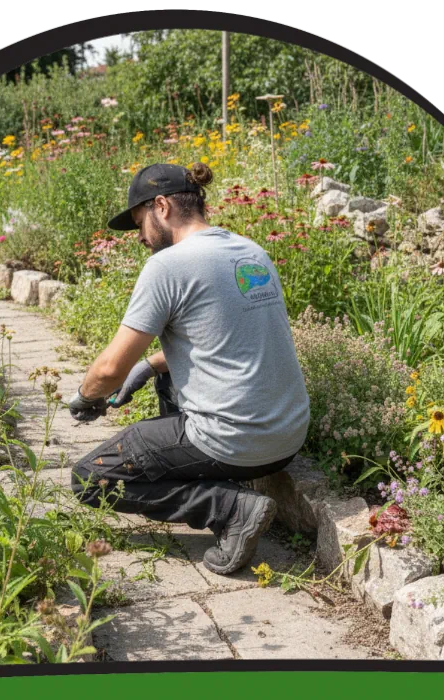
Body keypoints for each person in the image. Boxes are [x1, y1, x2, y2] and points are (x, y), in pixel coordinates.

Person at [65, 162, 311, 575]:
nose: (140, 237)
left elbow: (108, 370)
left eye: (140, 223)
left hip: (234, 440)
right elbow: (227, 338)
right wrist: (149, 366)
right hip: (287, 438)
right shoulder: (251, 251)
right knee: (166, 379)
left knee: (89, 478)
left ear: (161, 207)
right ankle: (220, 487)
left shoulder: (169, 265)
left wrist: (85, 397)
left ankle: (229, 508)